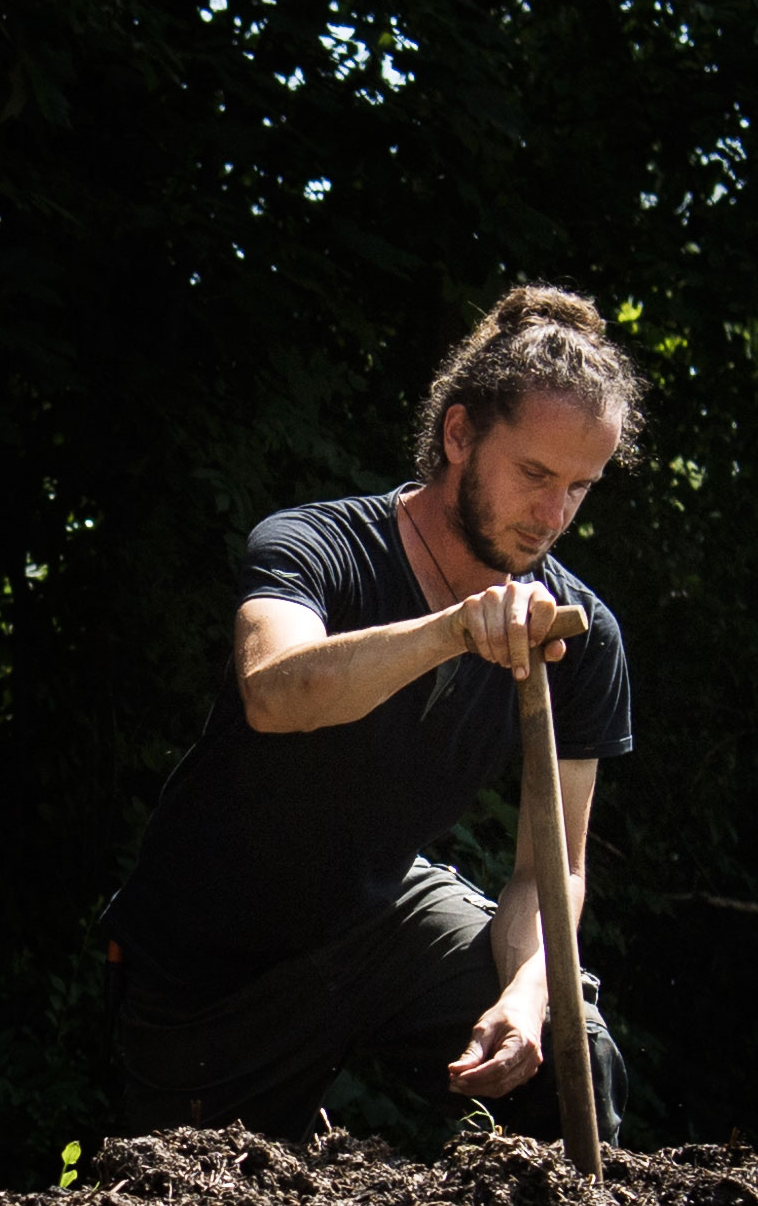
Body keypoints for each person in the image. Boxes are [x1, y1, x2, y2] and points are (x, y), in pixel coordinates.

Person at [101, 285, 640, 1143]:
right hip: (210, 967)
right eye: (535, 475)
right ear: (458, 435)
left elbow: (552, 868)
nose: (553, 516)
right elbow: (274, 691)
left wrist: (526, 995)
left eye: (580, 486)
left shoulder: (578, 636)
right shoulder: (316, 546)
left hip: (381, 916)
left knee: (572, 1043)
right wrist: (452, 632)